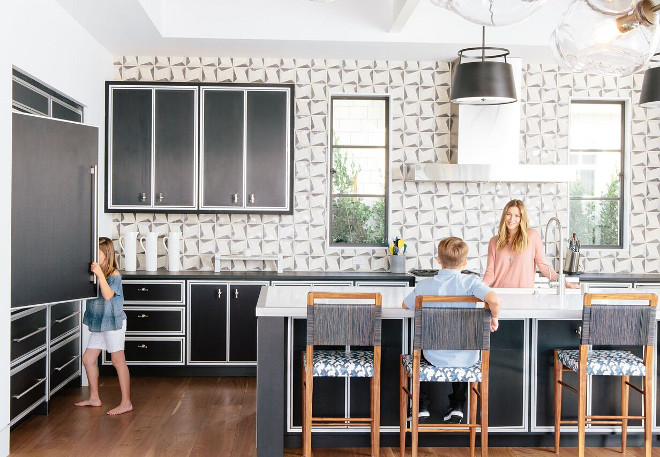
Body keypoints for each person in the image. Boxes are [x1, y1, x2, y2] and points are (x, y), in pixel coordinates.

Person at [403, 236, 501, 424]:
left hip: (433, 356)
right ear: (464, 262)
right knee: (465, 354)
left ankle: (421, 405)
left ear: (438, 260)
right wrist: (494, 317)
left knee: (418, 354)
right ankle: (457, 406)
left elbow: (404, 305)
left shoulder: (424, 286)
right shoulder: (471, 283)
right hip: (465, 358)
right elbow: (494, 300)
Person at [75, 237, 132, 415]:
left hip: (113, 323)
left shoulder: (114, 275)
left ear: (106, 255)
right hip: (100, 323)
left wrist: (99, 274)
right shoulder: (95, 272)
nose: (94, 256)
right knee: (88, 359)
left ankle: (126, 402)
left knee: (118, 361)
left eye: (97, 253)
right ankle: (94, 398)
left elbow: (107, 295)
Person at [482, 199, 580, 289]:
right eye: (508, 214)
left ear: (522, 218)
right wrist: (480, 287)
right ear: (504, 215)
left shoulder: (532, 236)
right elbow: (490, 273)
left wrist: (565, 283)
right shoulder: (494, 241)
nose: (512, 219)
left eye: (517, 216)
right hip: (498, 294)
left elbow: (543, 266)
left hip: (523, 295)